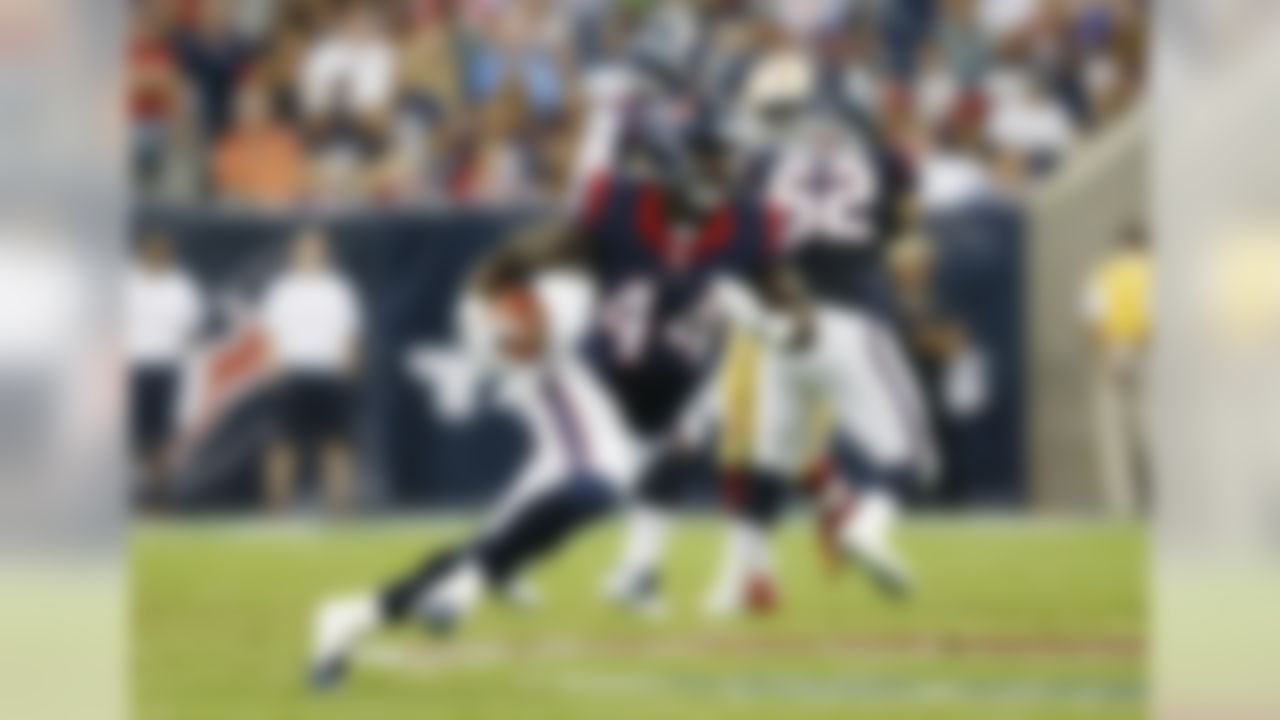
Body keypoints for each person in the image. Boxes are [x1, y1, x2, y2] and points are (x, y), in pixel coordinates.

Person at [308, 122, 806, 688]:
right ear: (674, 167)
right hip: (573, 376)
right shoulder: (617, 213)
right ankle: (463, 589)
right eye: (710, 161)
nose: (723, 176)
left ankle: (349, 618)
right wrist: (500, 327)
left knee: (509, 539)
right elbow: (507, 265)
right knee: (595, 486)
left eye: (725, 162)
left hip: (634, 418)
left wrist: (766, 321)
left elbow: (798, 325)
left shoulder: (745, 237)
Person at [260, 229, 362, 514]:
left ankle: (340, 508)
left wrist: (348, 372)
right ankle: (277, 509)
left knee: (336, 444)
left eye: (315, 250)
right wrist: (273, 369)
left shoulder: (338, 290)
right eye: (305, 250)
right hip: (293, 373)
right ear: (295, 254)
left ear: (324, 254)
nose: (310, 255)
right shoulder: (282, 290)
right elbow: (272, 335)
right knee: (283, 443)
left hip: (329, 373)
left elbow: (350, 336)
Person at [126, 232, 205, 509]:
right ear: (141, 252)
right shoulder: (126, 284)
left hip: (166, 368)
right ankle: (133, 498)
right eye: (151, 250)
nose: (156, 256)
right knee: (130, 438)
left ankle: (159, 501)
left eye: (162, 251)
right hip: (132, 367)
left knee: (161, 439)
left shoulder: (180, 288)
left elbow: (192, 332)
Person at [1081, 223, 1151, 517]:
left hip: (1114, 347)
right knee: (1150, 427)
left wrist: (1107, 355)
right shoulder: (1155, 270)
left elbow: (1093, 319)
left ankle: (1121, 504)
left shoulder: (1105, 272)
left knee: (1114, 432)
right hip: (1148, 348)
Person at [212, 87, 306, 207]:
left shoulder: (285, 142)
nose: (253, 115)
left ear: (268, 112)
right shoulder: (227, 147)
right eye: (247, 110)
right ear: (237, 115)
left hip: (283, 212)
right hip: (243, 217)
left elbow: (297, 181)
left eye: (258, 109)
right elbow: (224, 190)